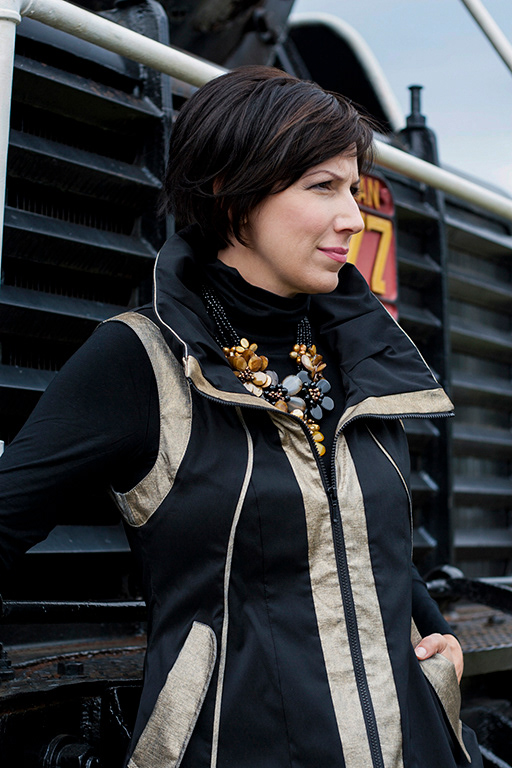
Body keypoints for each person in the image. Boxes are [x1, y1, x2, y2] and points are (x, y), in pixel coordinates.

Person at [0, 66, 481, 768]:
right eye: (322, 187)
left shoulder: (361, 359)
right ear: (231, 192)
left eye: (353, 189)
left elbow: (352, 530)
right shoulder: (141, 359)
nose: (353, 217)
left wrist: (438, 639)